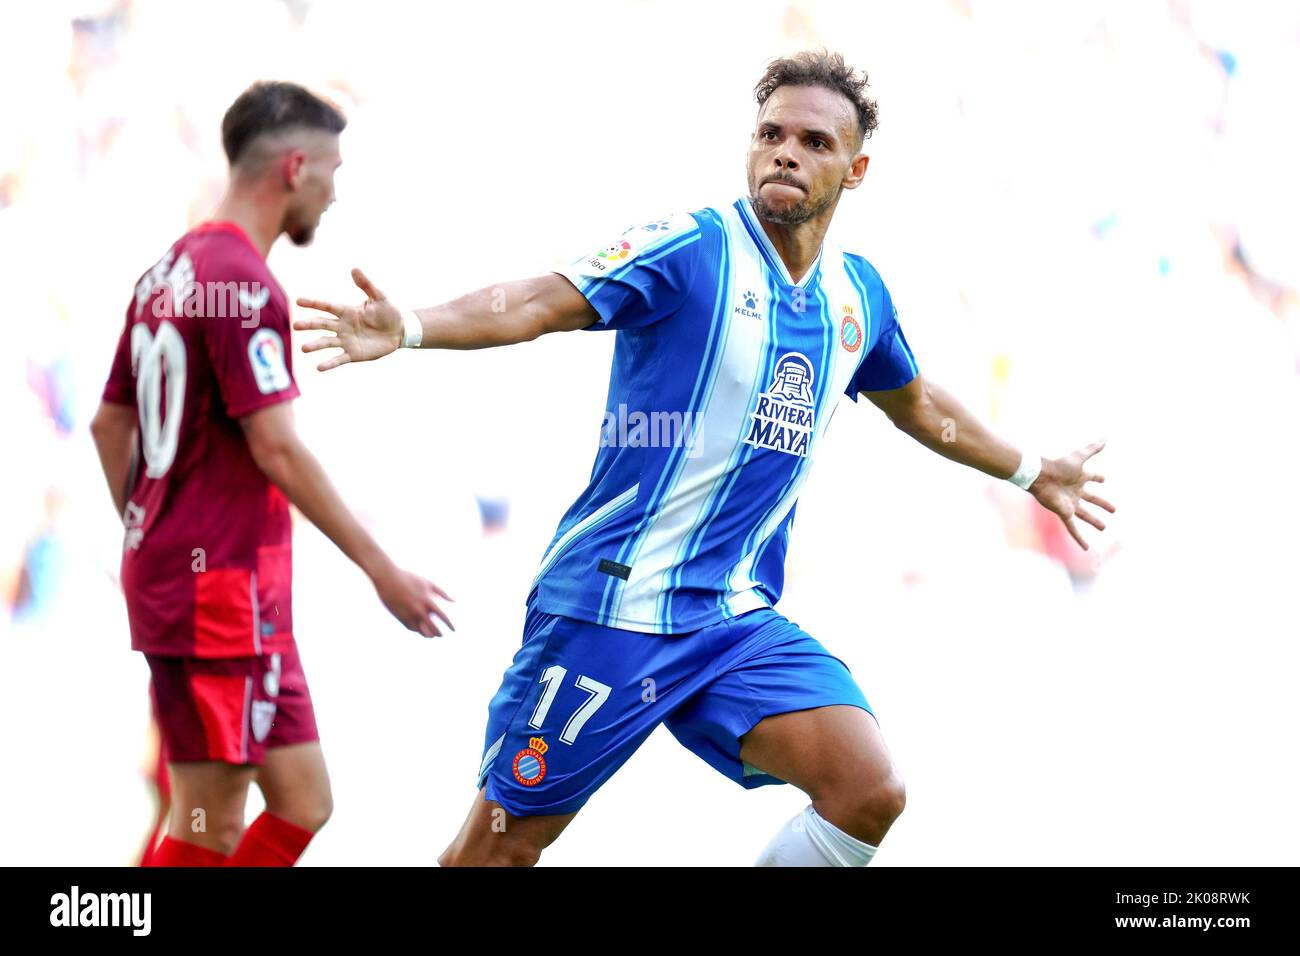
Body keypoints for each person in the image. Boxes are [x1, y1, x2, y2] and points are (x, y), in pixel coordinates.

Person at [294, 51, 1113, 866]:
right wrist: (410, 326)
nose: (786, 152)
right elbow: (542, 301)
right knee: (494, 852)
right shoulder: (692, 249)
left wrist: (1032, 471)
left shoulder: (858, 296)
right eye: (772, 134)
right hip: (609, 610)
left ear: (855, 169)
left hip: (729, 618)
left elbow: (922, 405)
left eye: (815, 142)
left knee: (869, 790)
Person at [90, 81, 453, 867]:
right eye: (332, 170)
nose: (334, 191)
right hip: (213, 589)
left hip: (228, 589)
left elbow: (108, 422)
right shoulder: (243, 284)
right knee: (206, 825)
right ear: (295, 168)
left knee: (302, 800)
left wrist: (145, 526)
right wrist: (380, 569)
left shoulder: (169, 270)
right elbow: (277, 447)